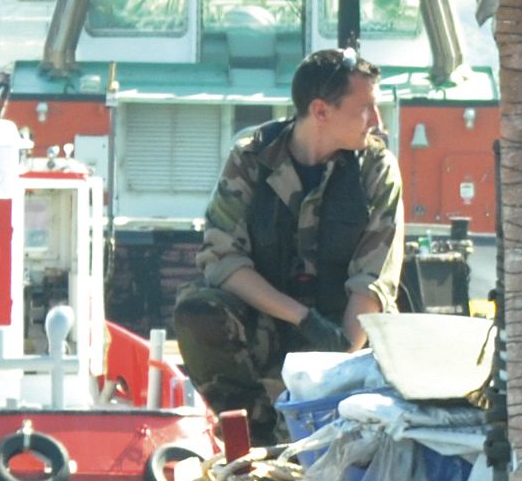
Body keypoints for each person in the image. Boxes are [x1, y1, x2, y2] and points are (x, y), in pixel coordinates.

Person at [169, 46, 402, 429]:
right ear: (321, 111)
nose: (376, 121)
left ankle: (328, 425)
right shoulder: (252, 158)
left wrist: (341, 355)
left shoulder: (375, 170)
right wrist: (301, 318)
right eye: (364, 109)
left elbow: (373, 281)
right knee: (199, 311)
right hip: (271, 319)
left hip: (348, 330)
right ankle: (255, 429)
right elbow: (223, 261)